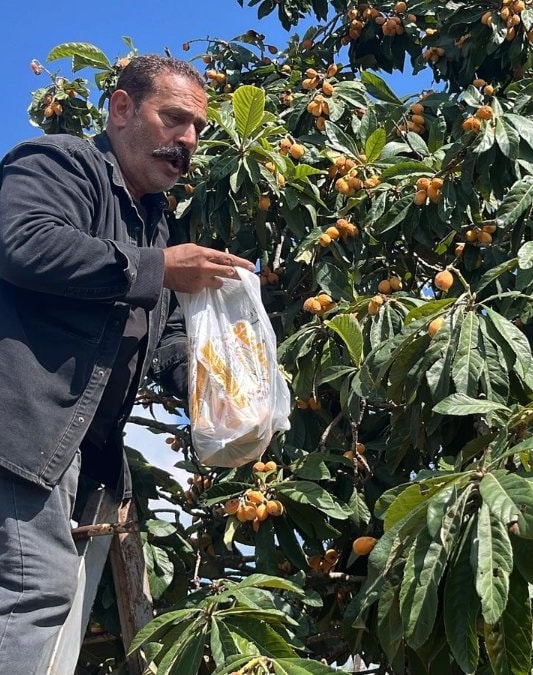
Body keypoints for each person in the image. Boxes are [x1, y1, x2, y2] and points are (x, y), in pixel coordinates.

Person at [0, 54, 254, 672]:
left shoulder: (155, 224)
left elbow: (164, 341)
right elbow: (20, 240)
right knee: (33, 596)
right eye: (174, 118)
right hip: (23, 433)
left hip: (78, 454)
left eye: (197, 128)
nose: (187, 140)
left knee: (49, 605)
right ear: (120, 110)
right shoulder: (62, 162)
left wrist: (227, 392)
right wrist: (158, 268)